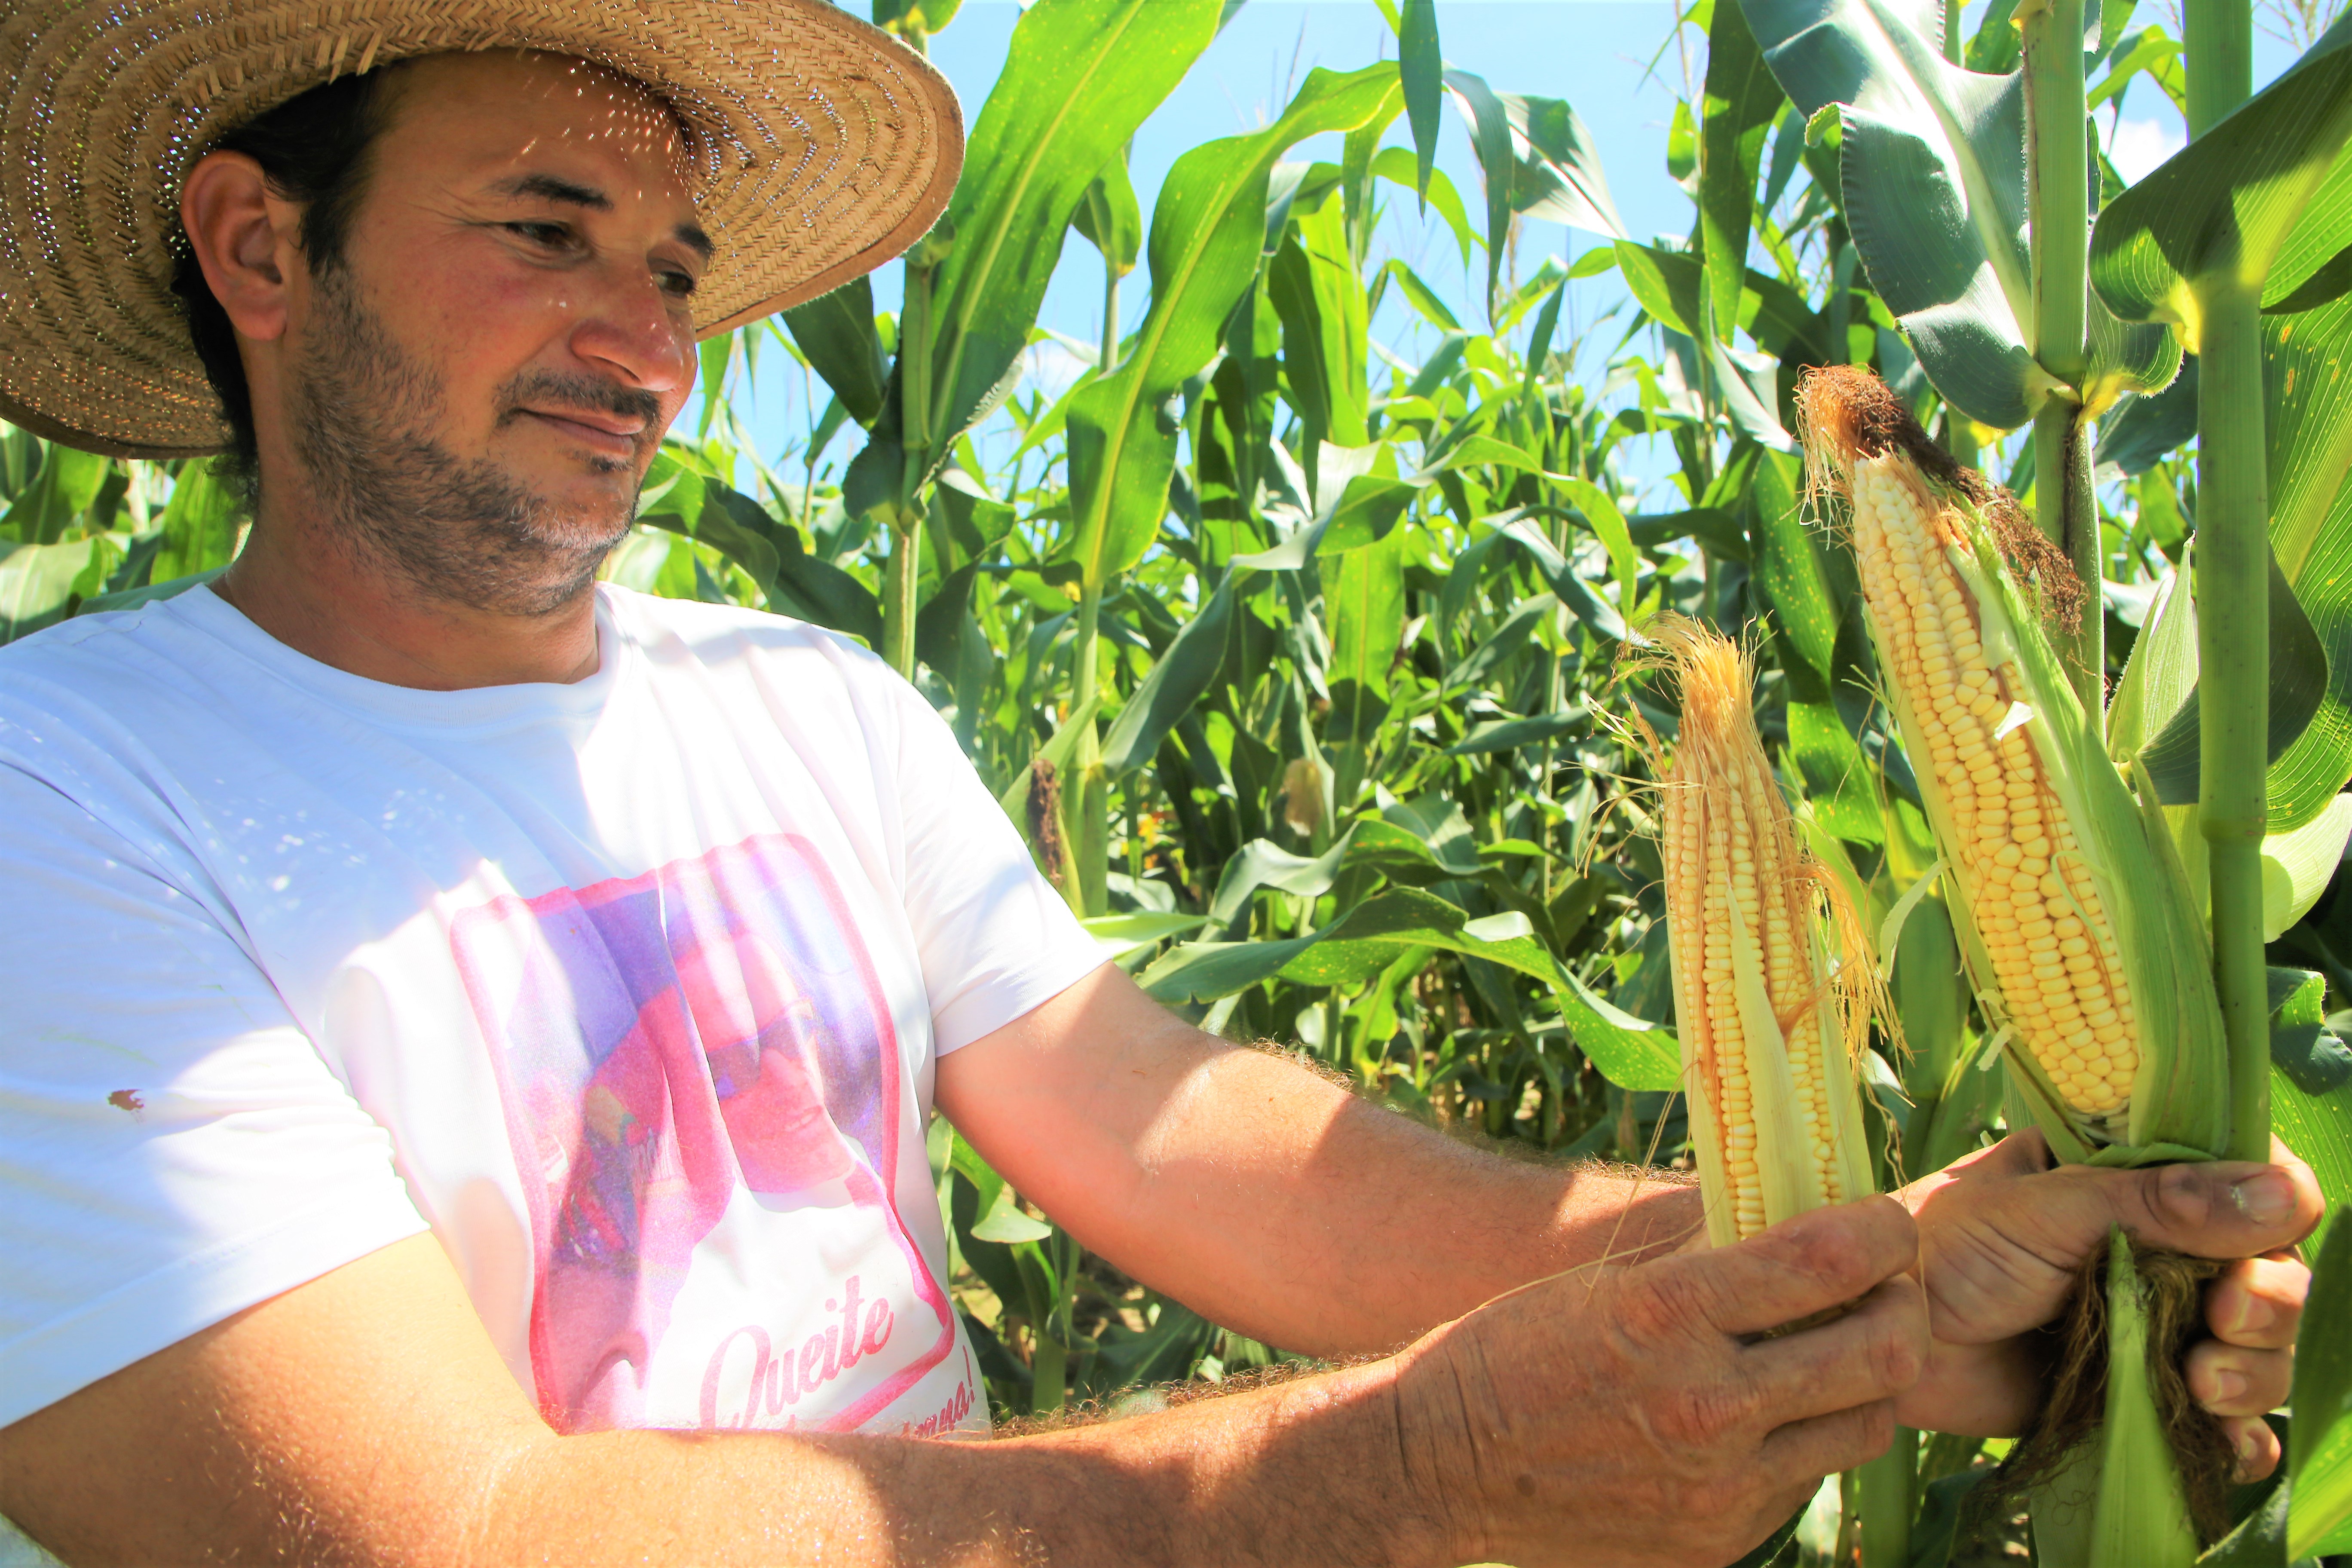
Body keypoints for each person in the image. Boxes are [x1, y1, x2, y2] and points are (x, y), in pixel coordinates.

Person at [0, 3, 2318, 1564]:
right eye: (544, 232)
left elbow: (1185, 1136)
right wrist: (1408, 1470)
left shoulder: (799, 701)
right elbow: (456, 1534)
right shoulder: (70, 801)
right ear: (256, 247)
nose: (648, 339)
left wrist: (1849, 1261)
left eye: (680, 267)